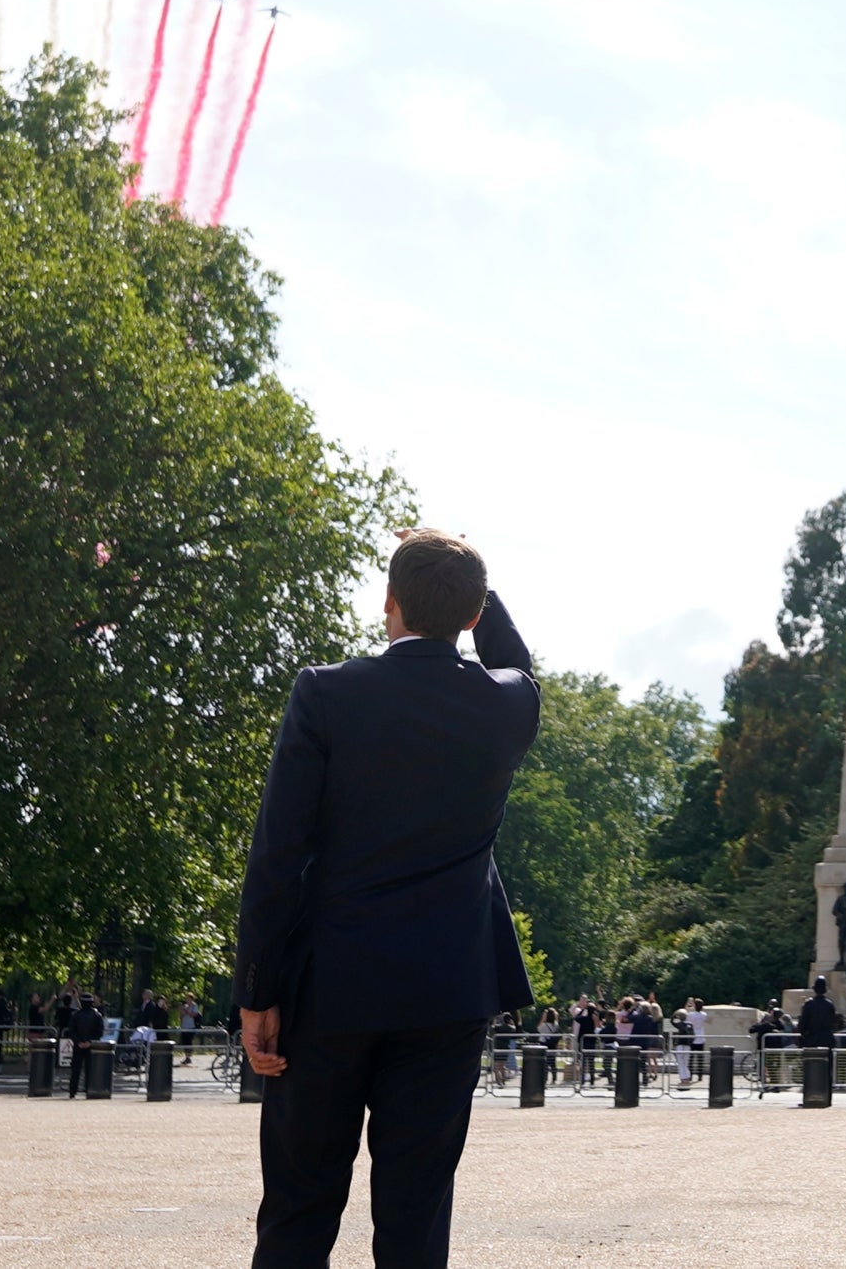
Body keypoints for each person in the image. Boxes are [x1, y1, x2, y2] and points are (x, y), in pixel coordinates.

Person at [235, 529, 541, 1269]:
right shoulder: (507, 704)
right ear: (471, 615)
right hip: (447, 990)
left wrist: (257, 990)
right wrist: (475, 590)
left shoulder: (326, 691)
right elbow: (516, 662)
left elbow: (277, 853)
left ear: (388, 604)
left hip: (329, 987)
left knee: (299, 1211)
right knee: (415, 1219)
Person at [67, 993, 105, 1098]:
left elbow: (71, 1031)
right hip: (91, 1046)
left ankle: (72, 1091)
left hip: (78, 1046)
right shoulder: (97, 1015)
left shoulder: (76, 1015)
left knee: (75, 1070)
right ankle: (89, 1089)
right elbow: (100, 1031)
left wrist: (78, 1042)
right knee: (90, 1069)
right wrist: (90, 1041)